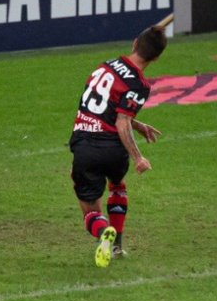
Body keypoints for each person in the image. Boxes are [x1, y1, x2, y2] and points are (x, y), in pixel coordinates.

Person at [69, 25, 167, 267]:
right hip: (113, 149)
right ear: (156, 58)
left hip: (85, 145)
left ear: (134, 43)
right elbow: (120, 119)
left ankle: (103, 231)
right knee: (117, 185)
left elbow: (111, 112)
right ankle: (116, 247)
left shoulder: (107, 65)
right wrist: (137, 155)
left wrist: (137, 133)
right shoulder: (140, 85)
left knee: (90, 208)